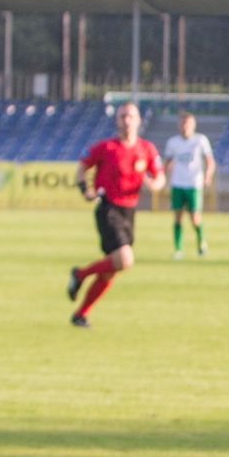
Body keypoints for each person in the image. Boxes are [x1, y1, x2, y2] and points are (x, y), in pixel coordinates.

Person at [65, 101, 165, 328]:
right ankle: (80, 274)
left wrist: (155, 184)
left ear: (138, 120)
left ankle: (80, 314)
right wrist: (85, 190)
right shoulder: (106, 147)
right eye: (123, 116)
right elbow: (82, 167)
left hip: (129, 211)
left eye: (131, 116)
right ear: (116, 121)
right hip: (108, 208)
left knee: (112, 270)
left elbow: (159, 176)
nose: (127, 120)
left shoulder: (147, 149)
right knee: (125, 259)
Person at [163, 110, 214, 259]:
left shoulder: (200, 140)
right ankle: (178, 249)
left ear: (193, 125)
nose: (185, 127)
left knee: (194, 218)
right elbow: (167, 163)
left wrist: (207, 176)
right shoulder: (173, 142)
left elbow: (210, 161)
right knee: (177, 217)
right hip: (177, 183)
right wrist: (164, 178)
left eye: (188, 124)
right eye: (183, 123)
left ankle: (201, 243)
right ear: (179, 125)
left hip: (194, 184)